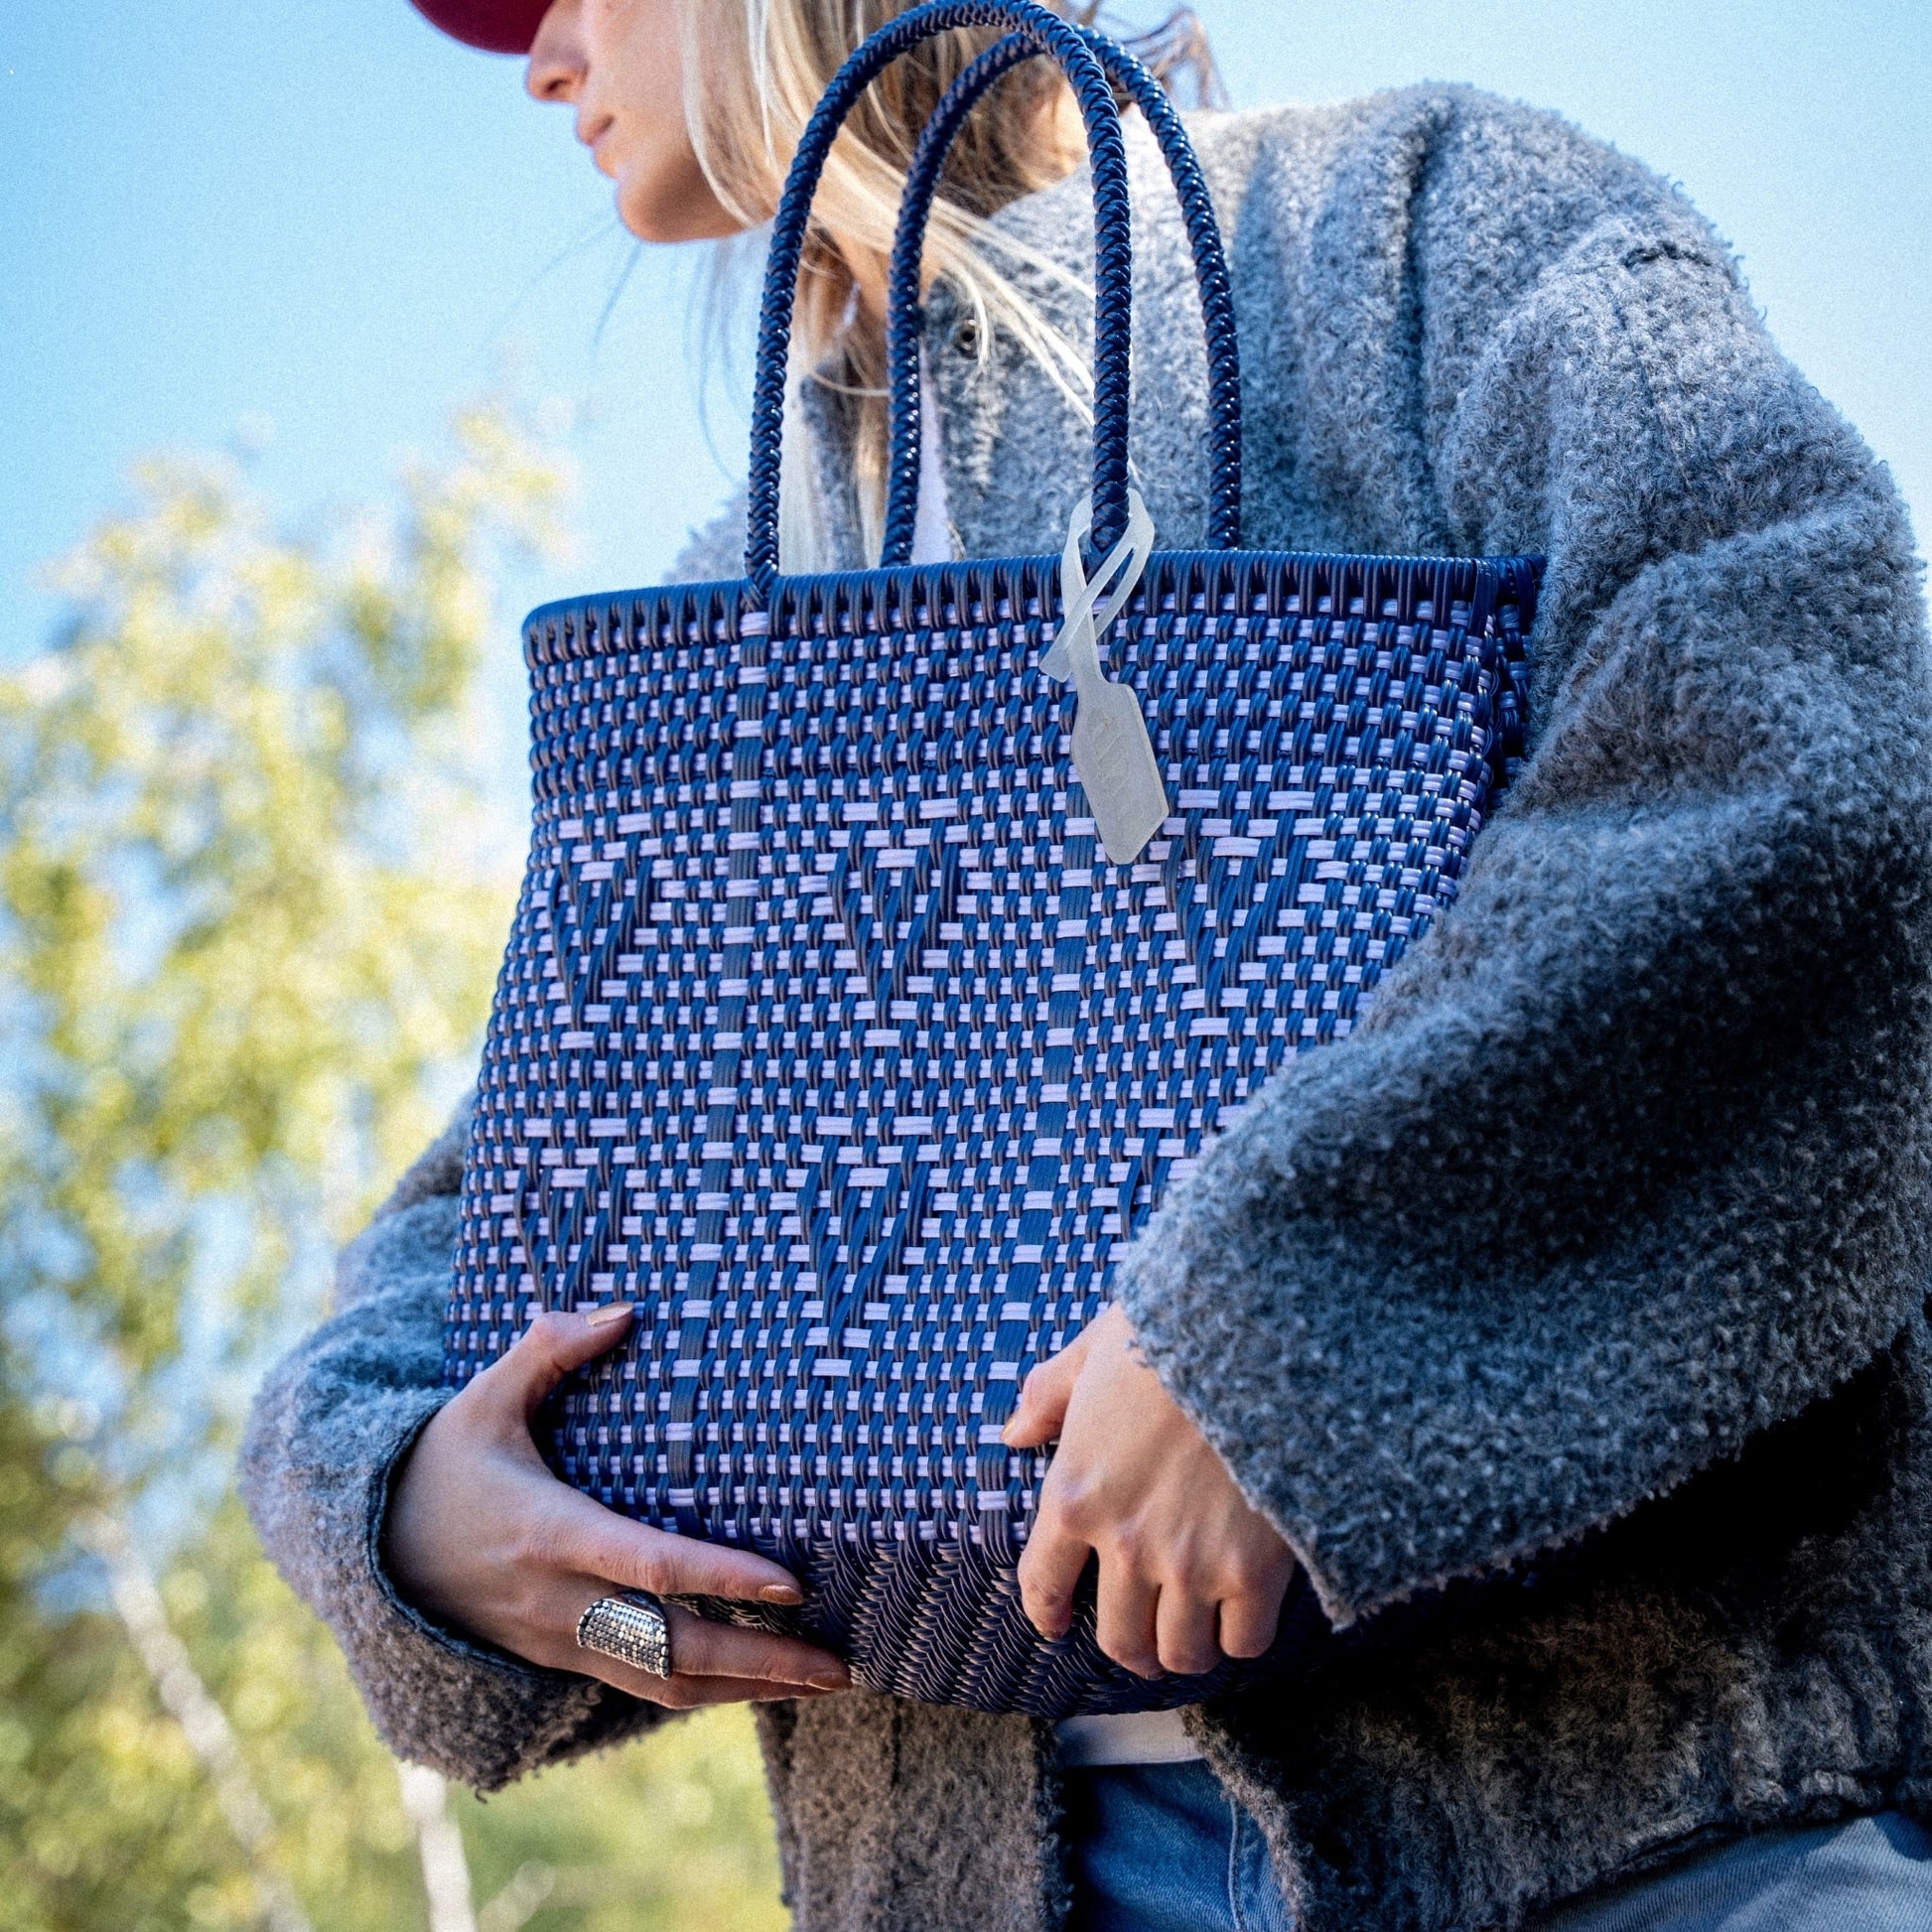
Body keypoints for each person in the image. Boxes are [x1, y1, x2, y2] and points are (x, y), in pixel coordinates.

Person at [241, 2, 1932, 1928]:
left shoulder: (1412, 228)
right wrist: (399, 1511)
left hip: (1660, 1841)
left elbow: (1795, 751)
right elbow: (540, 1179)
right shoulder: (748, 580)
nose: (527, 53)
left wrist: (1293, 1318)